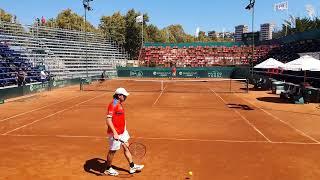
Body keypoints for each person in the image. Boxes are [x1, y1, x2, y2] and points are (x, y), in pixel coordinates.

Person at [104, 88, 144, 176]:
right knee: (112, 151)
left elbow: (120, 118)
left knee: (126, 146)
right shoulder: (113, 105)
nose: (126, 97)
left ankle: (132, 166)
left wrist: (124, 129)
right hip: (115, 133)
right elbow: (108, 120)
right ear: (119, 95)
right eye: (124, 95)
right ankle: (108, 169)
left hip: (122, 131)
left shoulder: (119, 104)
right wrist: (115, 133)